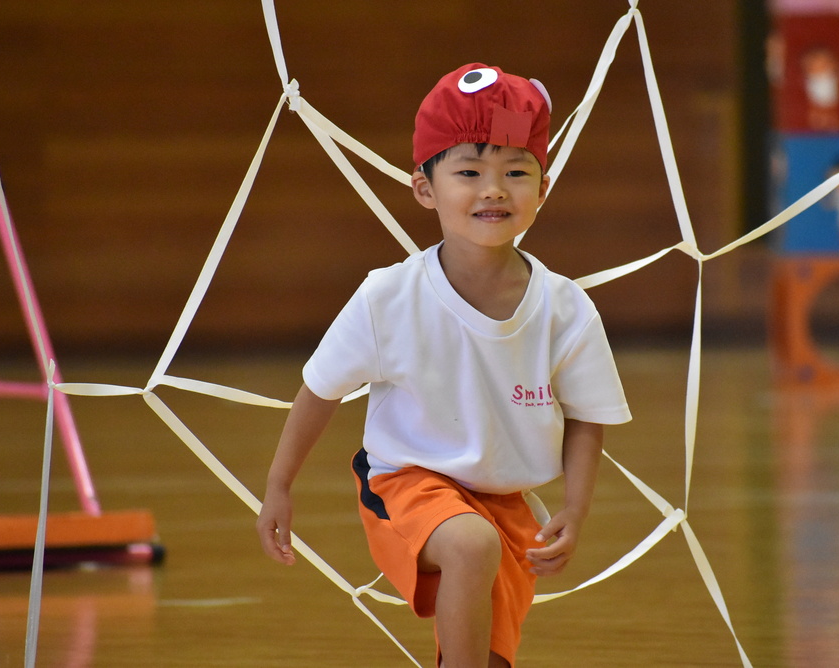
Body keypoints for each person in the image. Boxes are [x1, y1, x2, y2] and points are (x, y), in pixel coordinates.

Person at [257, 62, 632, 668]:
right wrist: (278, 486)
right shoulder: (387, 297)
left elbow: (589, 417)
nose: (494, 189)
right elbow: (319, 389)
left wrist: (577, 508)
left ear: (543, 188)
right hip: (403, 484)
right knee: (468, 543)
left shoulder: (567, 309)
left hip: (507, 503)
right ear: (425, 189)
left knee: (489, 650)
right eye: (468, 172)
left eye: (516, 172)